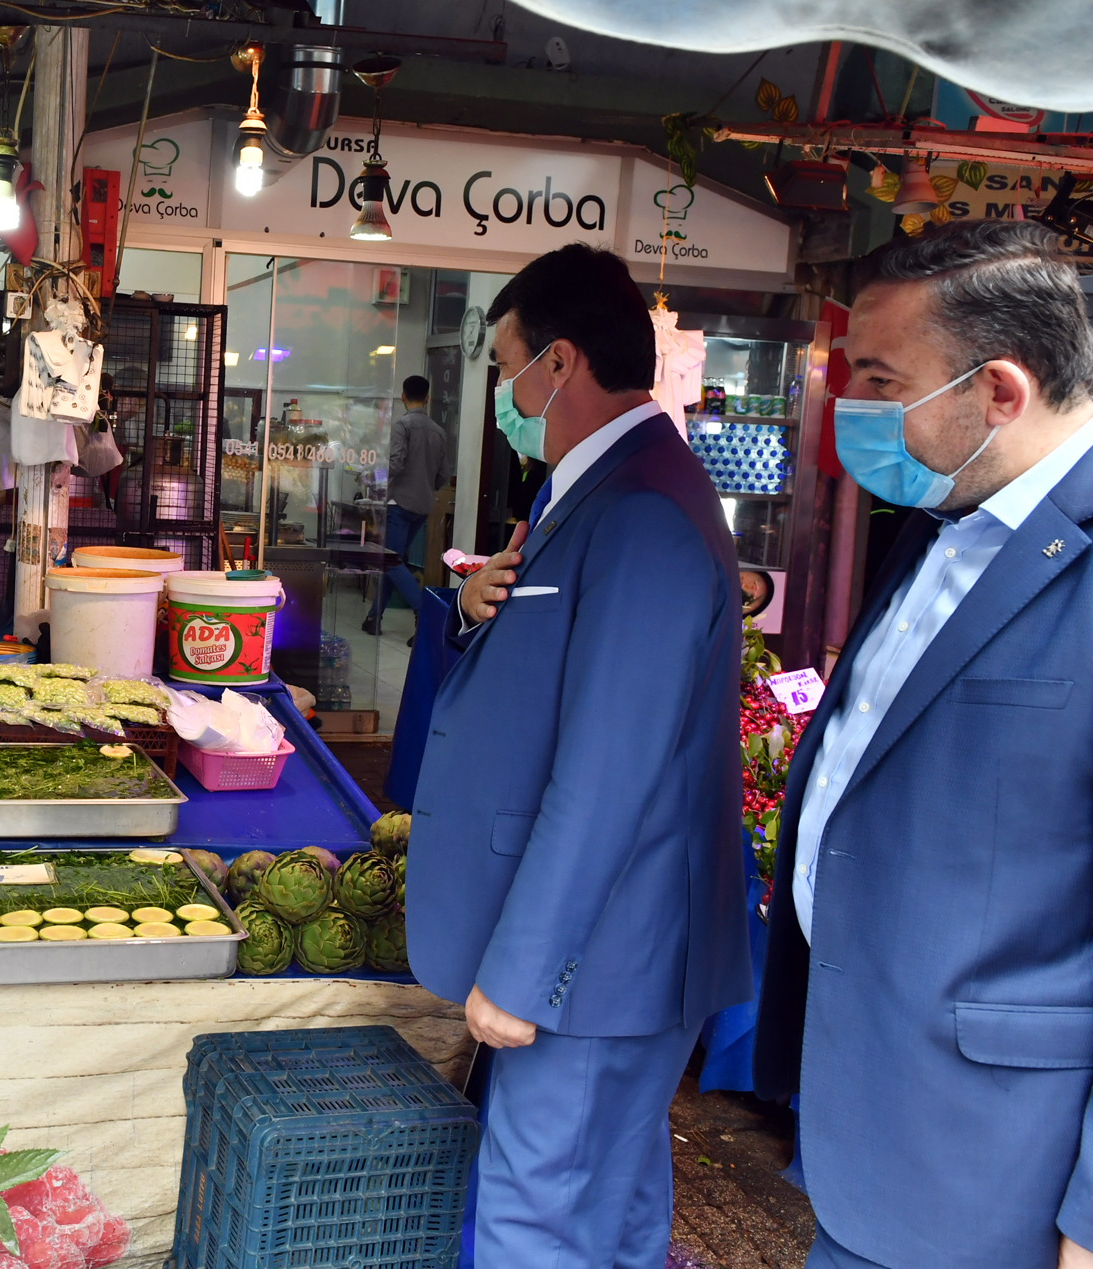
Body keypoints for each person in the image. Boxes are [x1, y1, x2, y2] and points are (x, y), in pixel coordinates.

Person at [752, 220, 1093, 1269]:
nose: (855, 410)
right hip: (868, 1128)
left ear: (999, 391)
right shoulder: (942, 516)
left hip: (1002, 1181)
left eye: (880, 380)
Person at [409, 242, 750, 1264]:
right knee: (612, 1199)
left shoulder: (643, 510)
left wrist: (519, 973)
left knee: (538, 1214)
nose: (501, 391)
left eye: (505, 362)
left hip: (598, 958)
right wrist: (470, 615)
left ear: (556, 363)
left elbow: (611, 768)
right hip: (600, 957)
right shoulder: (585, 493)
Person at [362, 375, 447, 641]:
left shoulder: (403, 425)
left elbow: (395, 464)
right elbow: (443, 474)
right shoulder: (438, 431)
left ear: (402, 396)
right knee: (393, 561)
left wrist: (370, 476)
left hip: (399, 504)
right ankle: (374, 618)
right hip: (422, 506)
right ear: (428, 397)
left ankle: (425, 612)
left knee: (391, 561)